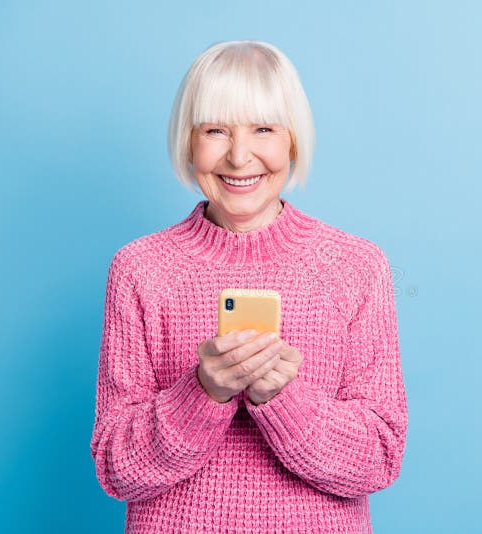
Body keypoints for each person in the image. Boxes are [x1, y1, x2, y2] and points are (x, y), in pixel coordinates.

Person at [90, 39, 408, 533]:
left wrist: (282, 399)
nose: (240, 157)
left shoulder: (356, 266)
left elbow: (379, 458)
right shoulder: (140, 268)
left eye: (263, 129)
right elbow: (117, 468)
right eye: (215, 130)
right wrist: (203, 392)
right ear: (187, 142)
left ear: (292, 142)